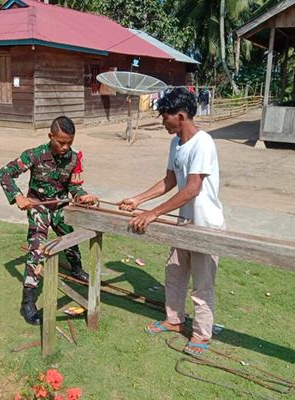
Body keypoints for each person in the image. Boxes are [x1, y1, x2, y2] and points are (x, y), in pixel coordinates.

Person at [118, 87, 225, 356]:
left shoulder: (203, 142)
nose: (162, 122)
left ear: (180, 116)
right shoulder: (176, 142)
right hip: (184, 222)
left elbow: (191, 189)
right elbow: (170, 180)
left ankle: (201, 335)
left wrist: (153, 214)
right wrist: (138, 199)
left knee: (202, 286)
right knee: (174, 274)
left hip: (205, 226)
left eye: (164, 117)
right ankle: (174, 320)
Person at [0, 116, 98, 325]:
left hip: (60, 206)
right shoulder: (34, 155)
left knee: (70, 239)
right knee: (37, 250)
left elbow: (75, 187)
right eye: (61, 142)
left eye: (69, 142)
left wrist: (82, 196)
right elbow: (5, 173)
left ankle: (77, 269)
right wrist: (17, 196)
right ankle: (28, 301)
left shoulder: (75, 157)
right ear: (50, 136)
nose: (65, 147)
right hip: (38, 207)